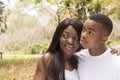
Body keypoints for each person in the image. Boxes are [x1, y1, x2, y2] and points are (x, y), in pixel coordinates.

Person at [78, 13, 120, 80]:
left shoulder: (117, 62)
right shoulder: (78, 59)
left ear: (104, 39)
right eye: (83, 30)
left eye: (90, 32)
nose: (83, 35)